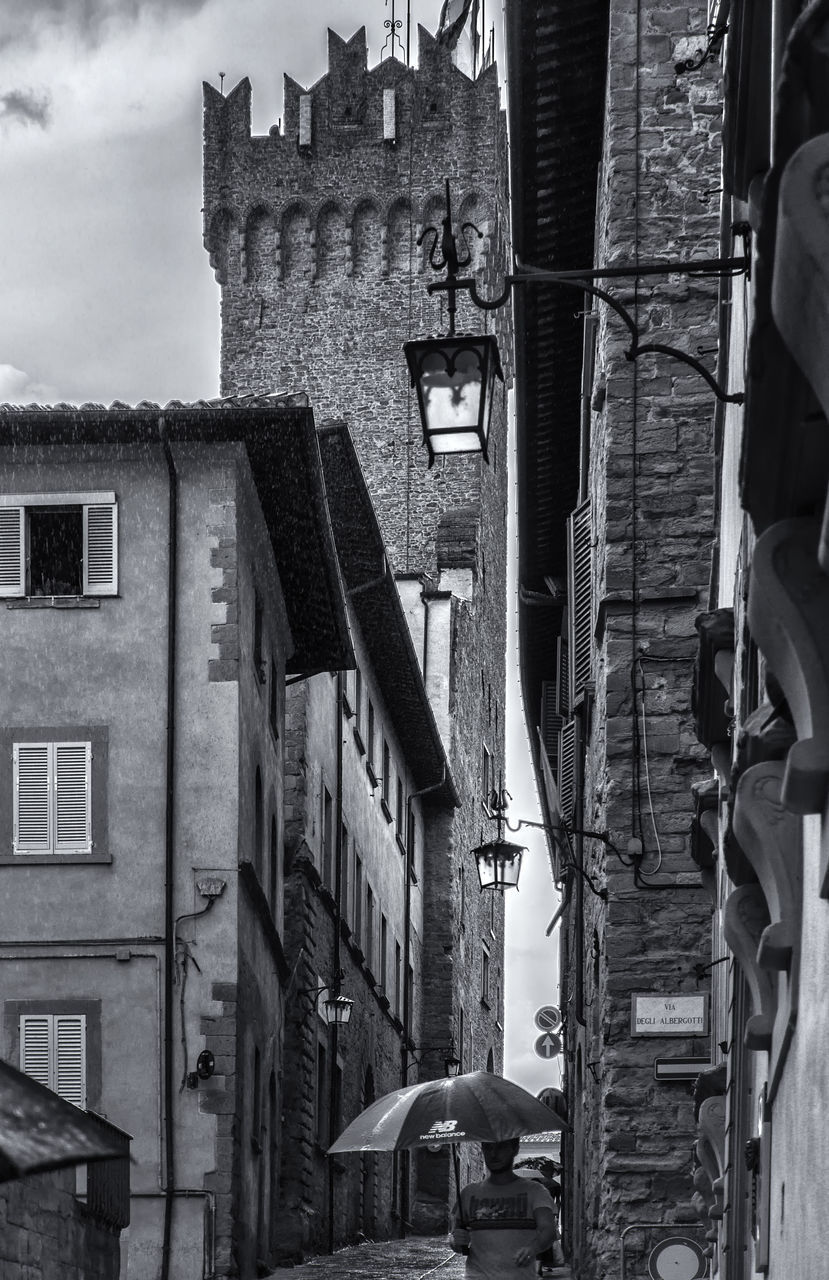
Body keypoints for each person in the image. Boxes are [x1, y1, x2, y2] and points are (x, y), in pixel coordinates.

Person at [450, 1138, 558, 1279]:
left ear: (515, 1149)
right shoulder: (468, 1194)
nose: (494, 1154)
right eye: (488, 1147)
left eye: (501, 1147)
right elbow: (454, 1237)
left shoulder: (535, 1191)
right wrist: (457, 1242)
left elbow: (548, 1231)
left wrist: (533, 1248)